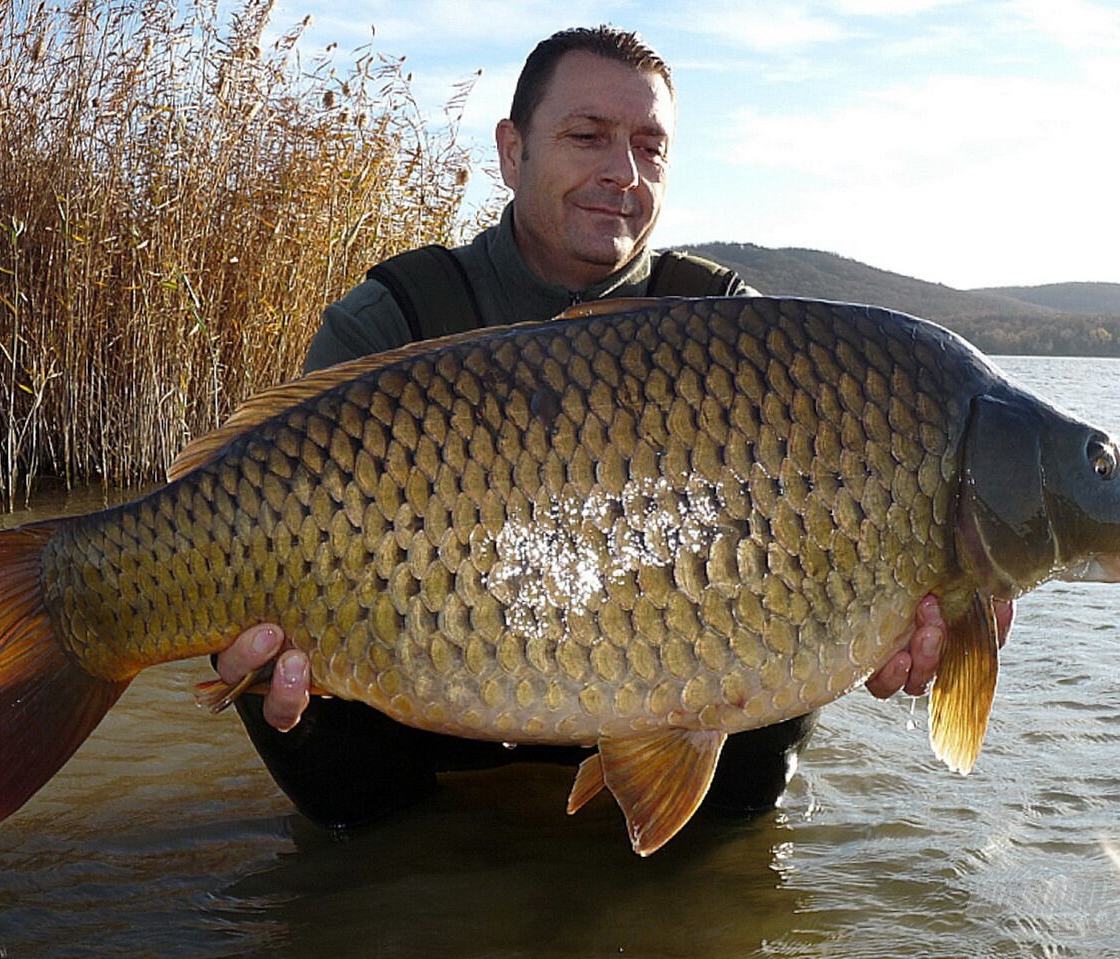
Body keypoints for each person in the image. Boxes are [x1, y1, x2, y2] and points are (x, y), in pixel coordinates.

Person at [213, 26, 1012, 829]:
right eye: (587, 136)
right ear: (512, 149)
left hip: (671, 681)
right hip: (418, 694)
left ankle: (672, 872)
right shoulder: (397, 320)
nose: (622, 172)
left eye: (649, 146)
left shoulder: (738, 329)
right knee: (330, 772)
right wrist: (256, 660)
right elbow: (237, 502)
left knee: (755, 750)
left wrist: (888, 614)